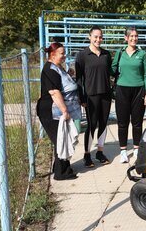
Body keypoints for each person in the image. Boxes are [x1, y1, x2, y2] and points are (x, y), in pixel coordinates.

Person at [37, 42, 80, 180]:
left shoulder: (57, 67)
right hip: (51, 112)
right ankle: (61, 173)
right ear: (52, 54)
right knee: (60, 140)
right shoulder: (49, 70)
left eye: (64, 53)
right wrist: (64, 110)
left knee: (63, 138)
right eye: (62, 53)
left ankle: (62, 166)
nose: (64, 55)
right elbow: (54, 92)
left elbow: (61, 84)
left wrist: (69, 75)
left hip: (57, 112)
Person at [111, 27, 146, 163]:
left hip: (138, 90)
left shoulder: (142, 54)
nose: (134, 38)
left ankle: (136, 149)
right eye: (131, 36)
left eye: (136, 36)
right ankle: (123, 151)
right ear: (126, 38)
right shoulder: (120, 53)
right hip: (122, 90)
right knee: (122, 123)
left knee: (137, 122)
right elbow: (112, 69)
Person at [75, 25, 112, 167]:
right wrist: (82, 97)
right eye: (95, 36)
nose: (98, 39)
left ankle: (100, 152)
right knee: (92, 125)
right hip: (91, 95)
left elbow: (111, 73)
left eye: (100, 37)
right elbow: (79, 79)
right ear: (89, 37)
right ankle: (87, 154)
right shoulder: (82, 55)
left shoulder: (106, 54)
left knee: (103, 123)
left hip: (106, 95)